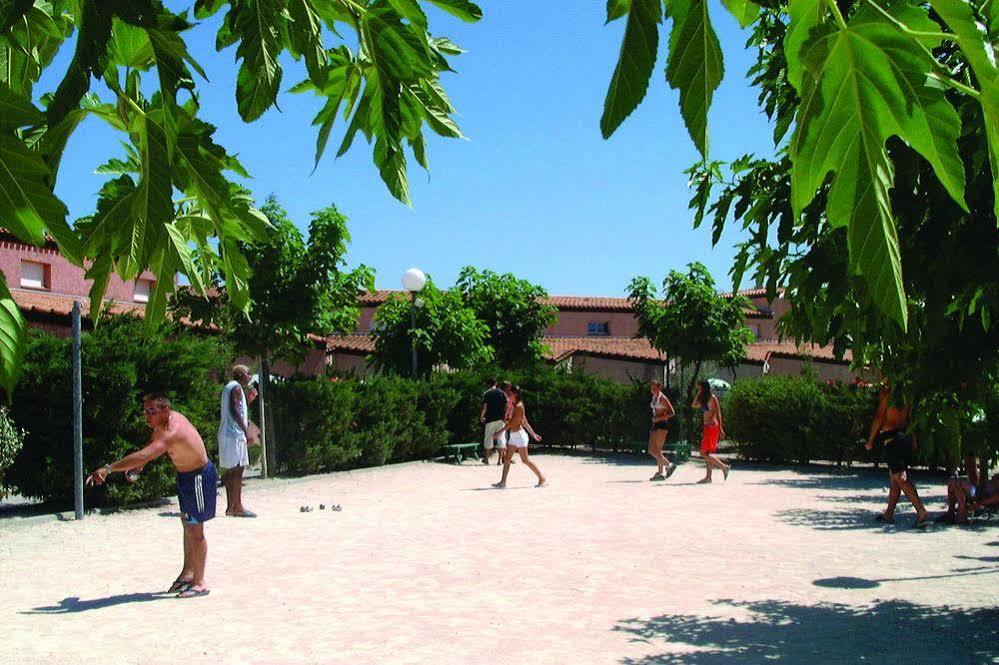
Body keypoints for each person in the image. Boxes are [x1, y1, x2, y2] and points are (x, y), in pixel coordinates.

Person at [86, 394, 215, 598]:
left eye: (151, 412)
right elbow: (150, 448)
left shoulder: (172, 430)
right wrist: (139, 466)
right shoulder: (162, 424)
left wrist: (107, 469)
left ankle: (200, 582)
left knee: (195, 531)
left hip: (198, 477)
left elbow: (145, 454)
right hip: (185, 477)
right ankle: (188, 574)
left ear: (165, 410)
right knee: (187, 526)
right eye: (145, 411)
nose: (146, 416)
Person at [865, 386, 929, 527]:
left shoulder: (887, 391)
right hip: (904, 435)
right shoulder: (907, 390)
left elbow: (880, 416)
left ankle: (921, 511)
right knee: (895, 479)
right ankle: (889, 514)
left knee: (900, 477)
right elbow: (911, 417)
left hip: (891, 437)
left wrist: (870, 439)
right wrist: (914, 438)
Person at [219, 365, 258, 518]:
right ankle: (238, 506)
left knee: (231, 471)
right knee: (238, 470)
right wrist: (246, 430)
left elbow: (237, 409)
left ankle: (231, 506)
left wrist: (249, 400)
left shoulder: (230, 387)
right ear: (241, 374)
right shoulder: (235, 388)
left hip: (228, 434)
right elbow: (235, 411)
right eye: (248, 374)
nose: (250, 376)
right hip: (234, 434)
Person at [493, 385, 546, 488]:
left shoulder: (518, 406)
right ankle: (503, 482)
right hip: (514, 435)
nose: (508, 395)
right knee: (507, 458)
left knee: (525, 460)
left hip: (520, 436)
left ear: (515, 394)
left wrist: (500, 432)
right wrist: (533, 434)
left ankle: (541, 478)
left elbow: (513, 422)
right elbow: (525, 422)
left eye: (510, 394)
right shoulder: (514, 405)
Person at [940, 456, 998, 524]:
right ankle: (951, 512)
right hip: (978, 489)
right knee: (952, 481)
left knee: (959, 484)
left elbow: (996, 497)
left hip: (980, 495)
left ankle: (962, 515)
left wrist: (980, 503)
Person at [693, 380, 730, 484]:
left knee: (703, 453)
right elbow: (693, 405)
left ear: (704, 388)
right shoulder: (703, 399)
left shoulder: (713, 398)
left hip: (712, 427)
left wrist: (721, 429)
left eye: (700, 388)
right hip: (706, 427)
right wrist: (698, 394)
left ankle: (724, 467)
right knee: (707, 453)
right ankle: (708, 477)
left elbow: (718, 414)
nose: (698, 390)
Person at [647, 380, 678, 481]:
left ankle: (669, 465)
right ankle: (660, 472)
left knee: (654, 451)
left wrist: (659, 419)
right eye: (651, 388)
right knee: (654, 450)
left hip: (662, 424)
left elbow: (672, 412)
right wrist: (655, 420)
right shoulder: (654, 397)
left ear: (659, 388)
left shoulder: (662, 398)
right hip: (655, 424)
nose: (653, 390)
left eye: (655, 388)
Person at [480, 379, 508, 465]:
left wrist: (482, 416)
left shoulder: (487, 393)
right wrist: (505, 417)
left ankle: (486, 459)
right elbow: (506, 406)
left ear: (488, 384)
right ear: (496, 384)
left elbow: (485, 407)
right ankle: (499, 460)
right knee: (501, 438)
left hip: (490, 419)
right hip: (501, 419)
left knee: (488, 438)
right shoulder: (503, 393)